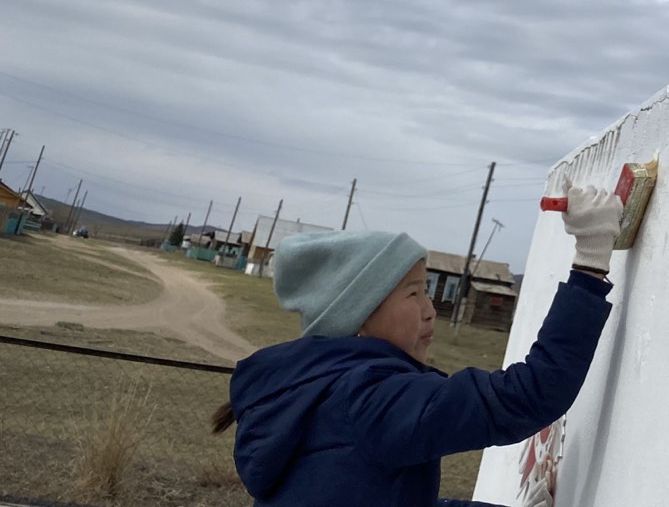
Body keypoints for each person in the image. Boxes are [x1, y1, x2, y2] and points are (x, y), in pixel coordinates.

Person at [212, 186, 624, 507]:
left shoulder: (309, 387)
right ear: (359, 316)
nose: (431, 311)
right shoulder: (372, 399)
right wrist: (590, 260)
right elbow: (527, 394)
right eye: (413, 294)